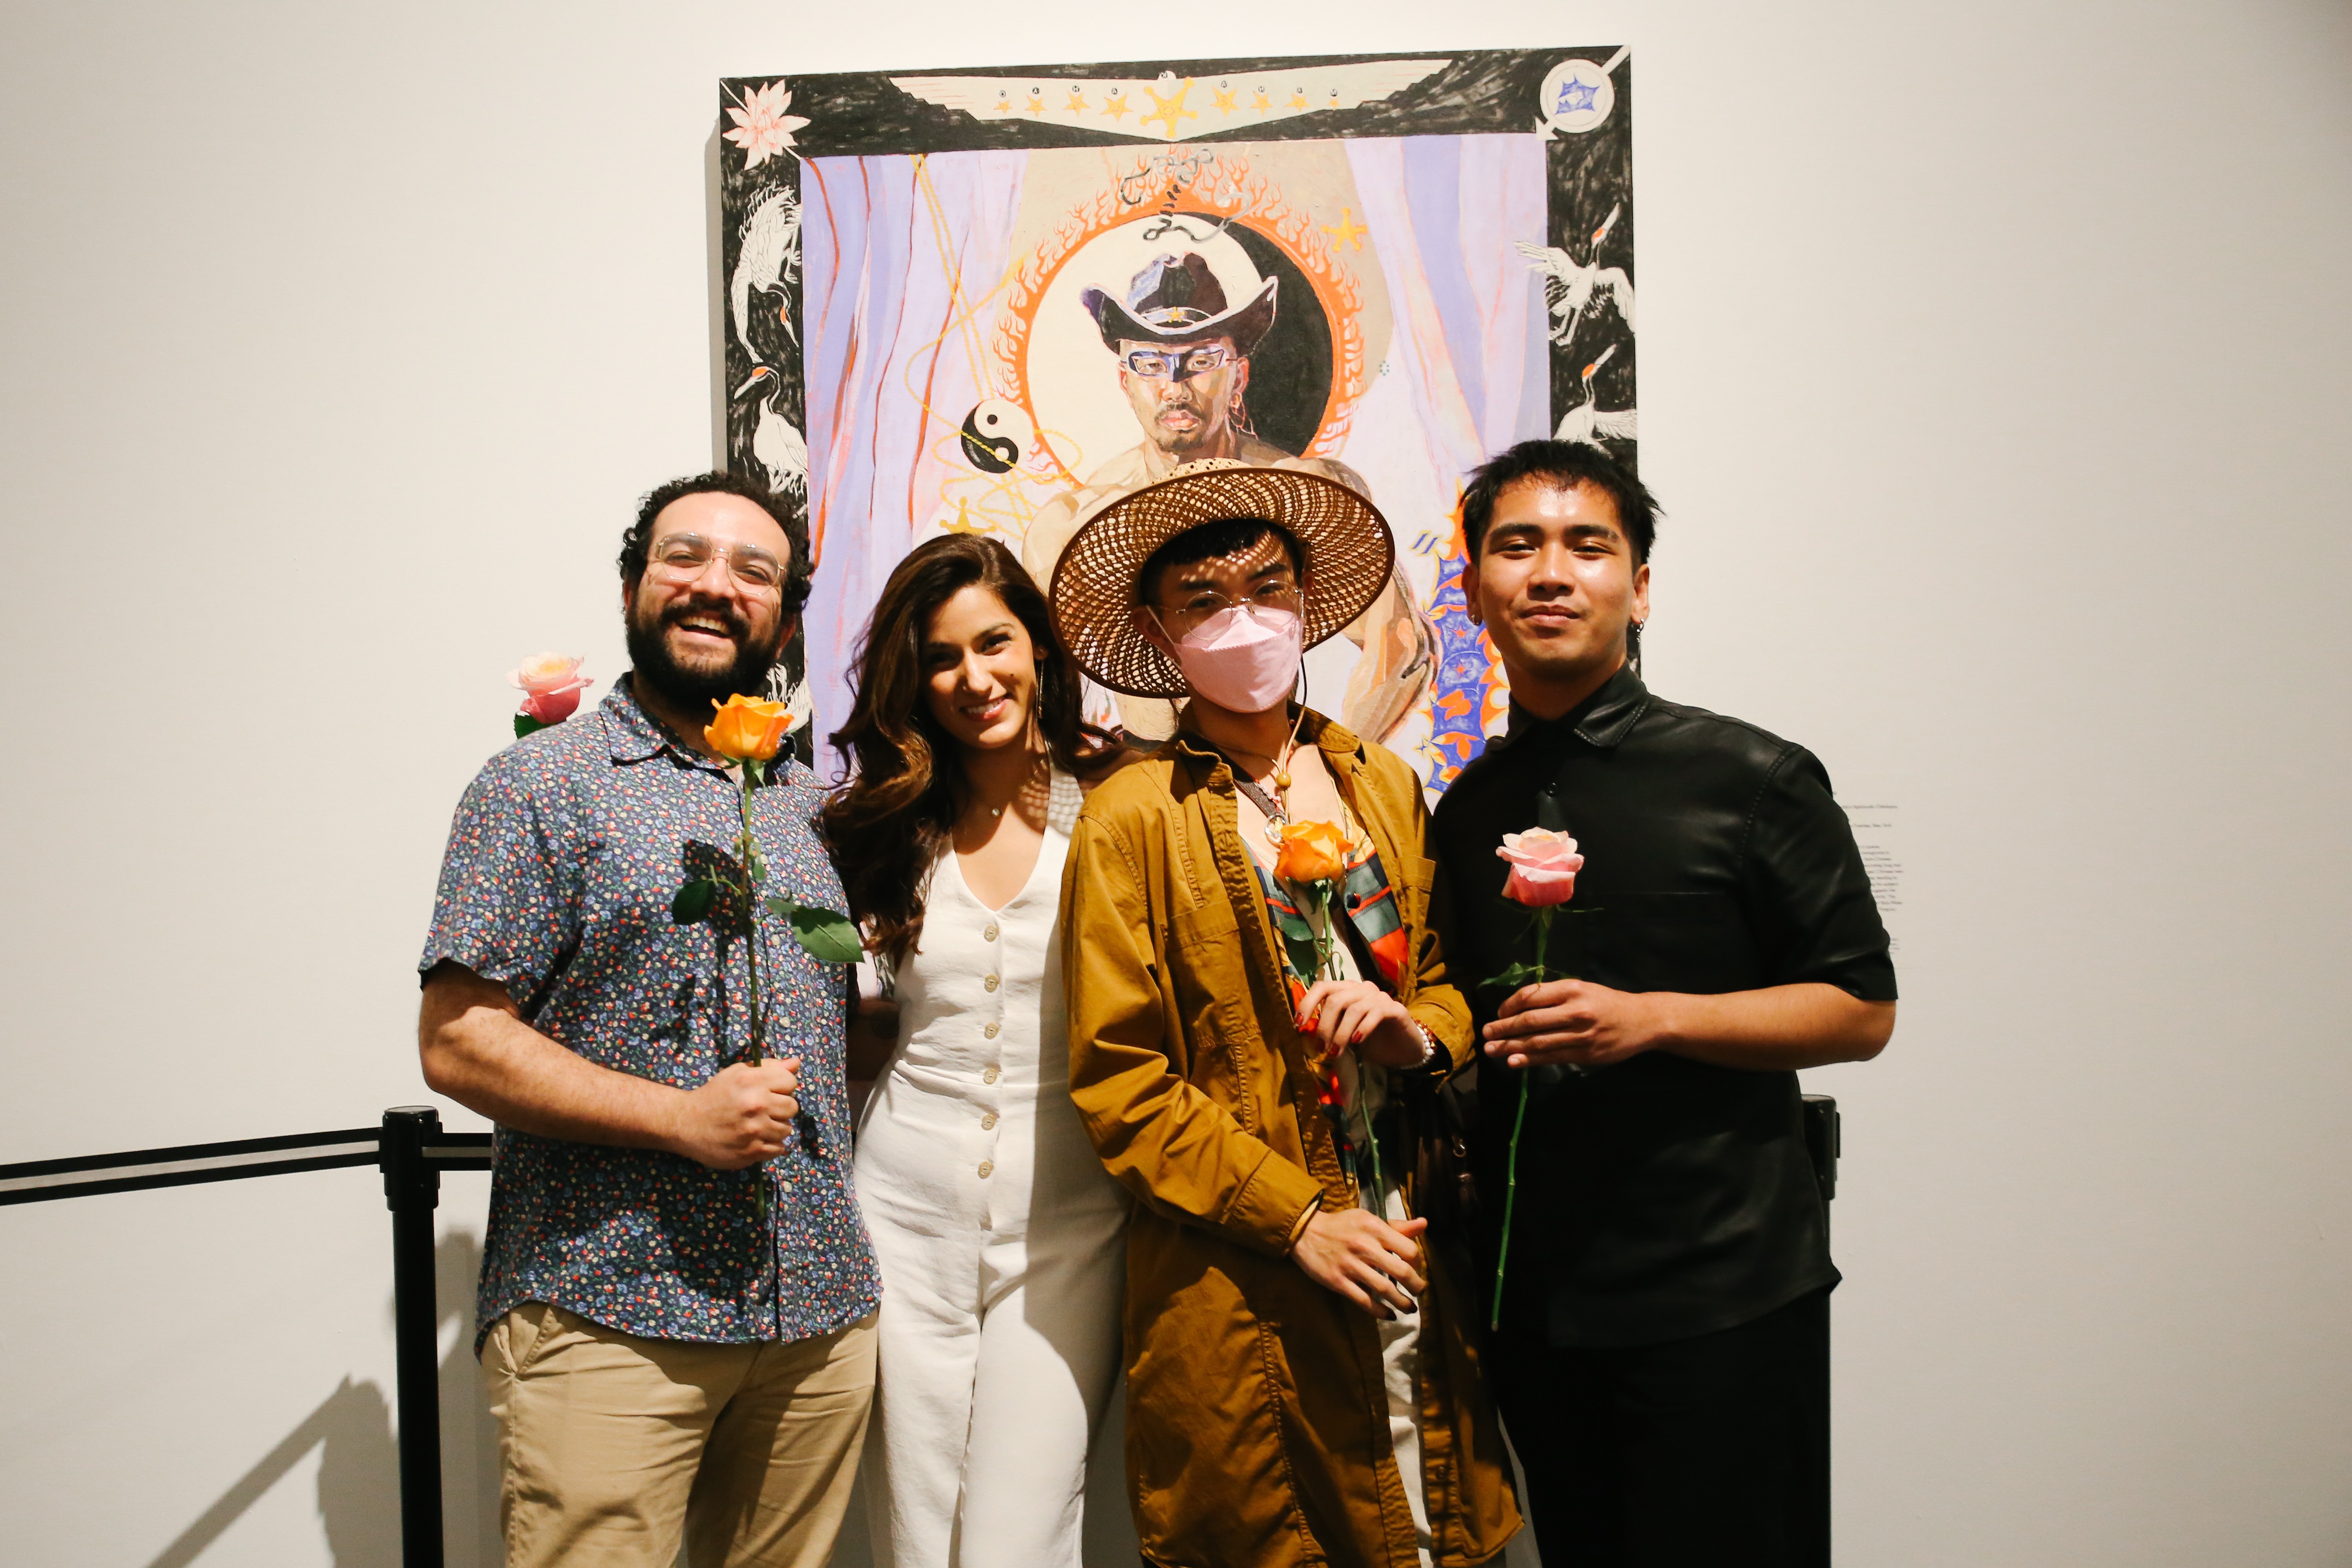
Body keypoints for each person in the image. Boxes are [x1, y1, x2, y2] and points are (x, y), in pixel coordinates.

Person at [1427, 440, 1898, 1567]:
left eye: (1586, 545)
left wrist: (1655, 1017)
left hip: (1722, 1294)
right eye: (1516, 546)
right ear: (1477, 589)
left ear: (1638, 586)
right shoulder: (1464, 803)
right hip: (1533, 1303)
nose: (1550, 572)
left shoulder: (1750, 775)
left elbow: (1860, 1008)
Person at [1052, 458, 1522, 1568]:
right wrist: (1300, 1217)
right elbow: (1120, 1080)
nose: (1243, 620)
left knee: (1429, 1513)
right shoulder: (1129, 817)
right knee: (1283, 1527)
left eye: (1266, 588)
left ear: (1308, 599)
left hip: (1404, 1223)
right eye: (1203, 602)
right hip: (1243, 1254)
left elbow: (1448, 976)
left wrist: (1420, 1035)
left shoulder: (1382, 782)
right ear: (1157, 632)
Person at [416, 472, 879, 1568]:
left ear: (784, 613)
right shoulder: (539, 783)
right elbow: (456, 1034)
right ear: (633, 584)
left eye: (752, 570)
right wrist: (681, 1118)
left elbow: (857, 1016)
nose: (714, 586)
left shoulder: (816, 806)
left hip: (814, 1313)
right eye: (685, 558)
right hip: (605, 1314)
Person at [821, 535, 1130, 1567]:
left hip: (1072, 1226)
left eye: (993, 641)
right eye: (941, 657)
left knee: (1015, 1530)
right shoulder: (880, 827)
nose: (972, 677)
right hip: (899, 1218)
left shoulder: (1117, 801)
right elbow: (854, 1024)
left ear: (1037, 644)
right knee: (914, 1527)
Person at [1021, 250, 1433, 746]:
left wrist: (1336, 771)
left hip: (1273, 758)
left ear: (1238, 375)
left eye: (1200, 361)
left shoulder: (1304, 491)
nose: (1173, 385)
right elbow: (1036, 679)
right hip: (1148, 780)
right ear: (1125, 382)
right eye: (1150, 363)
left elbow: (1400, 645)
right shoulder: (1073, 523)